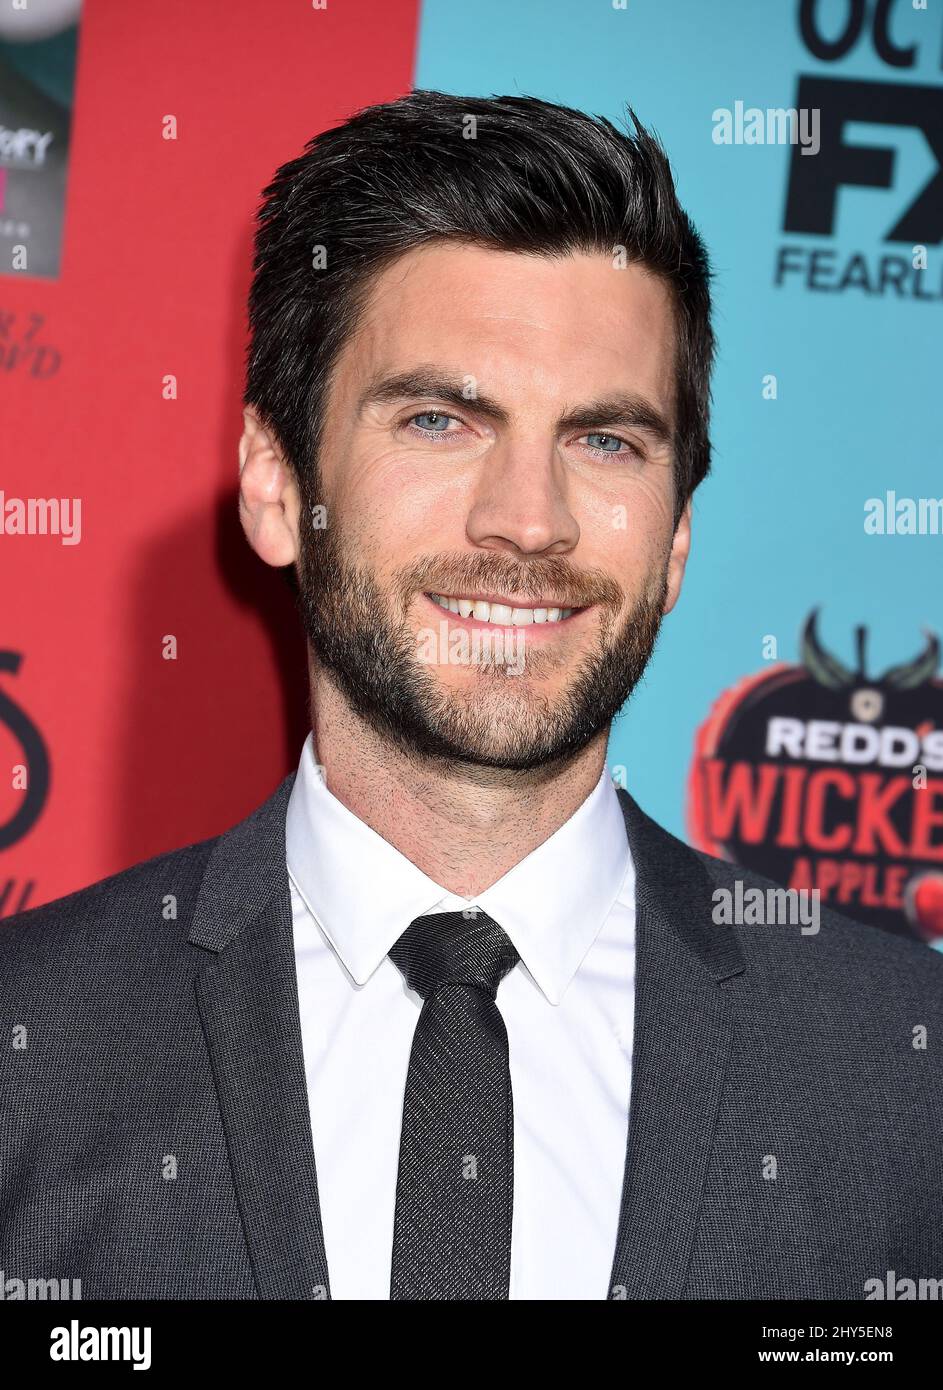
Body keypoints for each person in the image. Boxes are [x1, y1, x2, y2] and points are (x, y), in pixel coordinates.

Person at [1, 90, 940, 1302]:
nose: (528, 521)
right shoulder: (30, 1042)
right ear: (278, 487)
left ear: (677, 542)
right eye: (441, 420)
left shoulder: (899, 1069)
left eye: (606, 441)